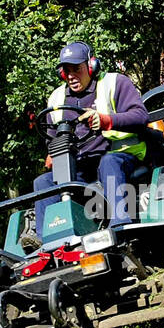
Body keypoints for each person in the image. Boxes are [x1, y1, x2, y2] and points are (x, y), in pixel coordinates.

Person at [31, 41, 150, 240]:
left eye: (76, 69)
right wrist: (52, 153)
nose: (71, 76)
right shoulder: (57, 98)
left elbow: (141, 116)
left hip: (121, 157)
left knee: (108, 162)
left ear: (91, 65)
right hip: (80, 167)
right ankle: (47, 242)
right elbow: (52, 137)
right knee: (43, 182)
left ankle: (120, 227)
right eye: (66, 71)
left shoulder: (115, 83)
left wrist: (106, 120)